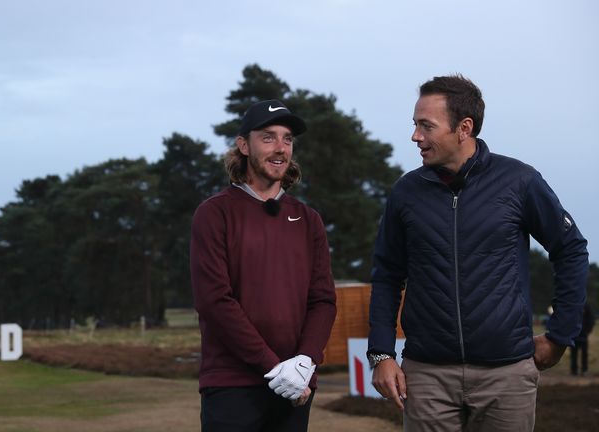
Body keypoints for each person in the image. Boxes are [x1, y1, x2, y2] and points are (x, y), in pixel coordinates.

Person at [367, 75, 589, 431]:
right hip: (427, 377)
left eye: (426, 126)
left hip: (507, 376)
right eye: (415, 125)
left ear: (463, 128)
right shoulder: (405, 193)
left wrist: (561, 334)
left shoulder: (519, 181)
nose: (415, 137)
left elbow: (571, 249)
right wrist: (381, 353)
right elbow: (387, 275)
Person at [190, 99, 337, 431]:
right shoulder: (215, 213)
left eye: (287, 139)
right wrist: (274, 368)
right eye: (268, 137)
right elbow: (214, 301)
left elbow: (323, 300)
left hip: (295, 384)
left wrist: (305, 363)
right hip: (232, 383)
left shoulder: (308, 220)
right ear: (244, 145)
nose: (280, 148)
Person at [570, 303, 595, 375]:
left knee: (584, 354)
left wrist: (587, 331)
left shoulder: (586, 306)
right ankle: (574, 370)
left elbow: (591, 319)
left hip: (583, 336)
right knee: (574, 354)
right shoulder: (574, 305)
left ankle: (584, 370)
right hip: (574, 337)